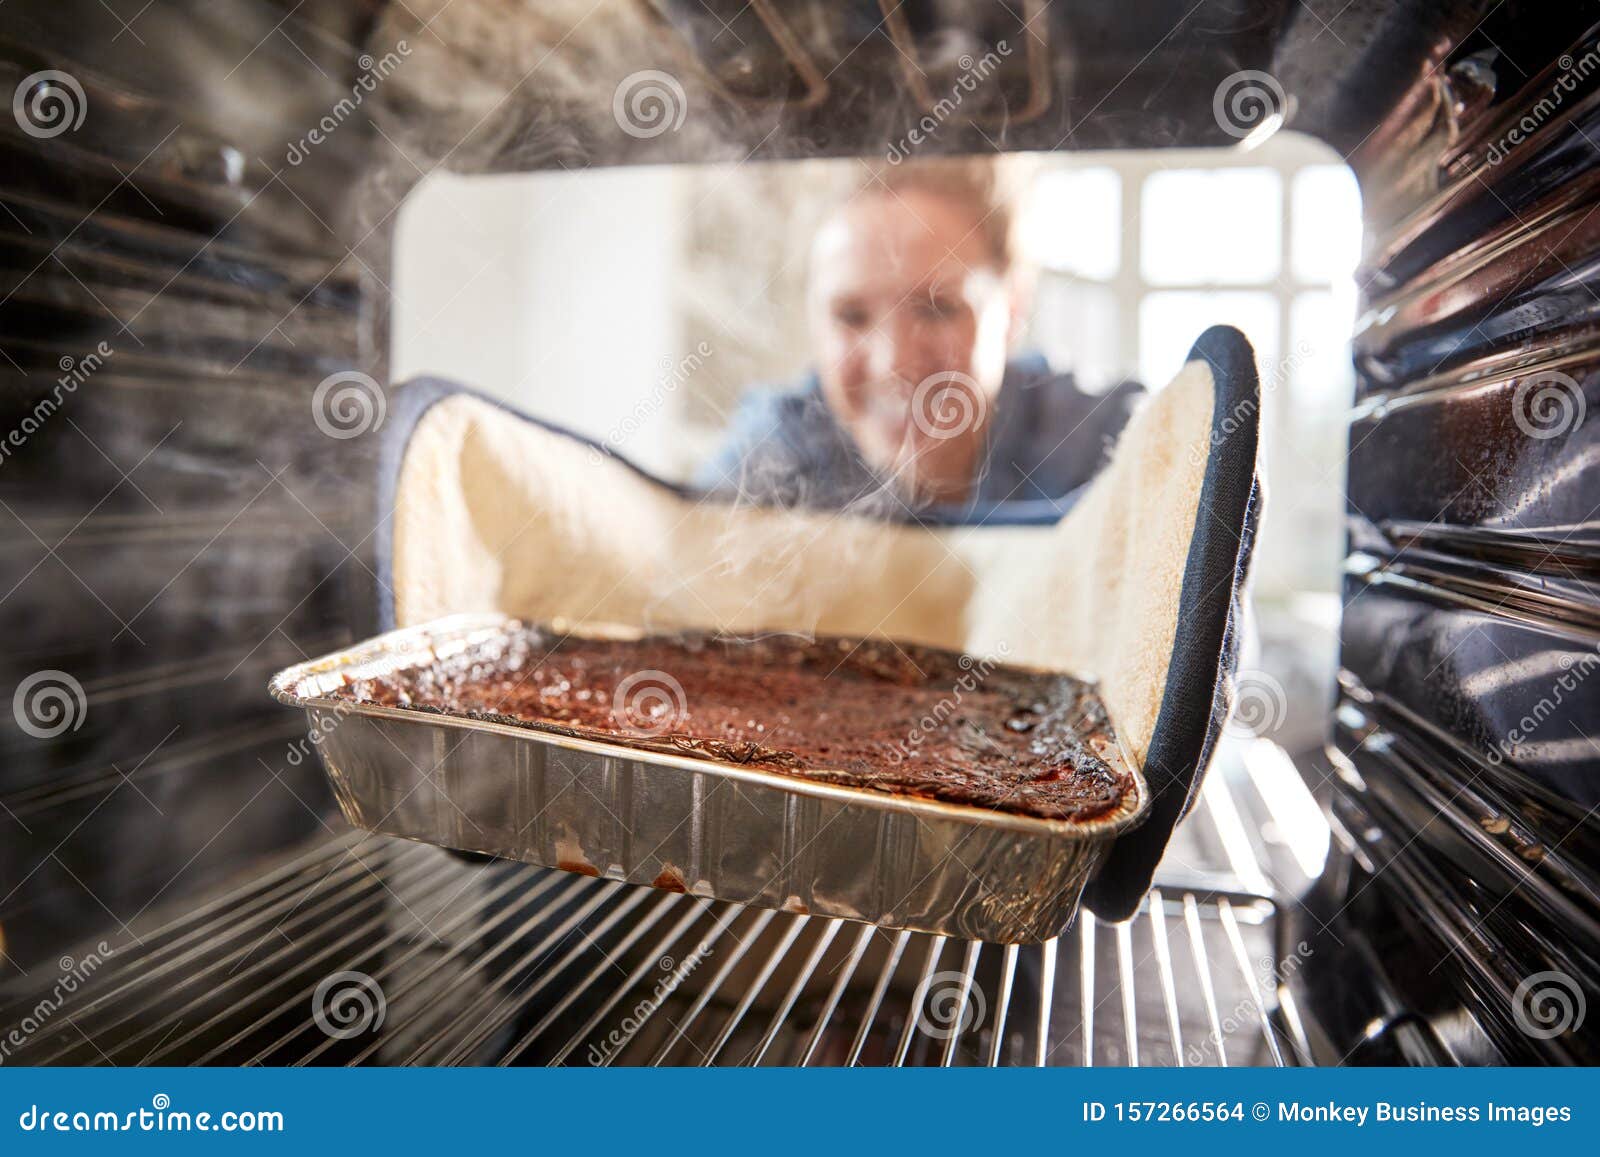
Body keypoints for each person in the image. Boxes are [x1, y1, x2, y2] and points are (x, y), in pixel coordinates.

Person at [694, 158, 1142, 516]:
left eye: (936, 309)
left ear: (1011, 311)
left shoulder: (1101, 445)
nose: (894, 364)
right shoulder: (779, 450)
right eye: (851, 315)